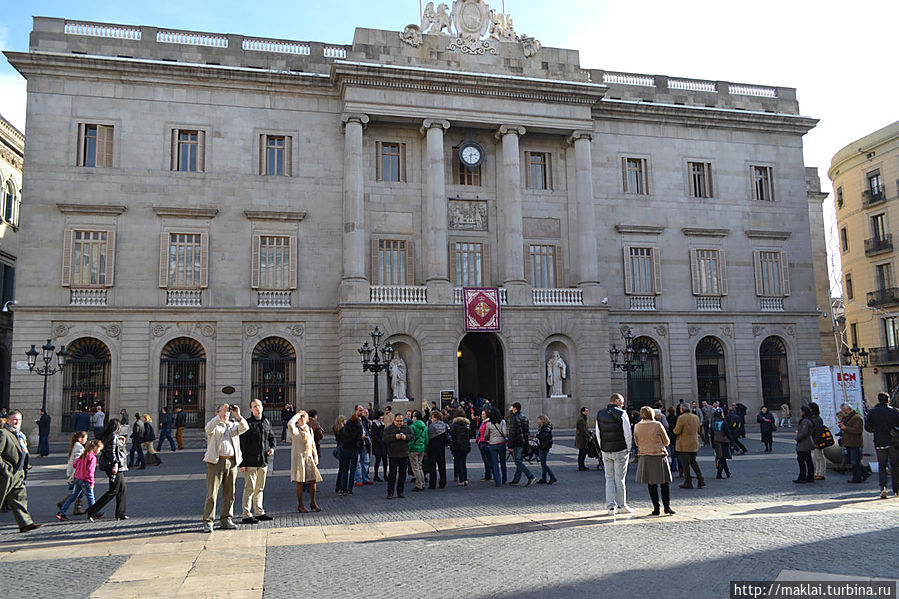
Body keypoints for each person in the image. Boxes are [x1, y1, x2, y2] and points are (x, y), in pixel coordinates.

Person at [202, 403, 249, 533]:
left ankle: (226, 519)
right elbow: (207, 429)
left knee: (229, 493)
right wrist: (219, 416)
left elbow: (245, 427)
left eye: (228, 413)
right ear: (218, 413)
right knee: (212, 494)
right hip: (216, 462)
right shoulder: (214, 426)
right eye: (224, 413)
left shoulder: (233, 426)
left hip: (231, 462)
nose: (226, 415)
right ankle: (208, 521)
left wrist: (238, 415)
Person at [0, 411, 42, 532]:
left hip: (19, 473)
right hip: (7, 474)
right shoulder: (4, 433)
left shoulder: (19, 435)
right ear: (8, 420)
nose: (17, 422)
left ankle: (26, 524)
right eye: (14, 420)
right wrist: (4, 469)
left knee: (19, 498)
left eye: (19, 420)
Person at [595, 393, 634, 515]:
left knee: (609, 479)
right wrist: (629, 448)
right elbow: (627, 434)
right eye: (621, 402)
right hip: (620, 450)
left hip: (606, 450)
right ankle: (622, 505)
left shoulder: (600, 414)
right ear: (617, 401)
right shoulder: (622, 414)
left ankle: (611, 507)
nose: (622, 405)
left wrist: (602, 447)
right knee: (620, 479)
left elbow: (598, 433)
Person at [239, 398, 275, 523]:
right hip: (250, 461)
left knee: (260, 488)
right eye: (254, 406)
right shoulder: (247, 424)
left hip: (263, 461)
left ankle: (259, 512)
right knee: (249, 489)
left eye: (259, 405)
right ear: (251, 409)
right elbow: (242, 444)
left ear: (262, 407)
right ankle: (246, 514)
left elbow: (271, 437)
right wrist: (242, 463)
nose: (257, 408)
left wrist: (272, 448)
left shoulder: (266, 422)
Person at [633, 406, 675, 516]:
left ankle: (656, 508)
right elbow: (666, 441)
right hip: (658, 455)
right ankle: (667, 507)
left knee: (651, 484)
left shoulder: (637, 426)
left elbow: (637, 443)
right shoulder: (657, 425)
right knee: (664, 483)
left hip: (645, 455)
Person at [86, 419, 128, 521]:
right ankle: (92, 511)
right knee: (113, 491)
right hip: (115, 466)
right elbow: (111, 452)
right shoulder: (113, 436)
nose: (121, 427)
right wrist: (115, 464)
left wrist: (121, 441)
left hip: (116, 466)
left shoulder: (112, 436)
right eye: (120, 425)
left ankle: (120, 513)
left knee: (122, 489)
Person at [57, 439, 103, 520]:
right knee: (90, 497)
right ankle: (94, 512)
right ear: (95, 448)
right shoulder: (92, 457)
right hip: (86, 480)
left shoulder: (83, 455)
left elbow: (75, 464)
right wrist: (92, 482)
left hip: (77, 479)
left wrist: (80, 468)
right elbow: (90, 471)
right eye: (99, 449)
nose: (99, 451)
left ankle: (61, 512)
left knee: (73, 496)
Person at [864, 392, 899, 498]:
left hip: (880, 442)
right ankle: (896, 489)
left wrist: (877, 430)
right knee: (895, 466)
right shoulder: (895, 411)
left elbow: (868, 428)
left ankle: (883, 487)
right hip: (893, 442)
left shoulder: (872, 413)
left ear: (878, 400)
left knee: (882, 465)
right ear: (888, 400)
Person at [287, 410, 322, 512]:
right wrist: (297, 414)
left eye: (304, 417)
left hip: (308, 457)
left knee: (313, 480)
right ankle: (300, 505)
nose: (302, 419)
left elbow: (312, 445)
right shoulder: (295, 430)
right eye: (300, 418)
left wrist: (315, 457)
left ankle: (313, 502)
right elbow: (290, 423)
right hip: (299, 459)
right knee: (300, 482)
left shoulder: (309, 429)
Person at [383, 413, 415, 499]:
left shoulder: (407, 428)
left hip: (404, 454)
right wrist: (394, 437)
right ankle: (390, 492)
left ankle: (400, 491)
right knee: (392, 474)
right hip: (393, 454)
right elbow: (385, 438)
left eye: (401, 421)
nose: (400, 423)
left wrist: (406, 437)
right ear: (394, 421)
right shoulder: (389, 428)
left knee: (402, 475)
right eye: (398, 421)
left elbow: (412, 436)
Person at [57, 431, 88, 516]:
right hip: (77, 473)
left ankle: (67, 504)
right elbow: (78, 461)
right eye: (85, 438)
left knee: (77, 491)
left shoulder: (76, 446)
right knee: (77, 491)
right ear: (80, 438)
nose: (86, 440)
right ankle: (73, 506)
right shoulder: (78, 447)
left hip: (75, 473)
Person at [673, 404, 704, 489]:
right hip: (693, 442)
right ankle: (700, 479)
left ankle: (688, 482)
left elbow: (677, 431)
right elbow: (698, 430)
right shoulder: (695, 417)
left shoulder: (681, 418)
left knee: (685, 464)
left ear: (682, 410)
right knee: (693, 462)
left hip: (684, 443)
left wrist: (673, 430)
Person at [508, 402, 535, 486]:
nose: (511, 409)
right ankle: (516, 480)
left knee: (518, 461)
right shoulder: (524, 417)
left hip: (517, 442)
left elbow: (512, 433)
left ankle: (530, 476)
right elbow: (527, 431)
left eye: (512, 408)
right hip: (523, 441)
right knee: (519, 460)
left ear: (515, 408)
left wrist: (510, 445)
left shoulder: (514, 418)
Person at [336, 410, 362, 496]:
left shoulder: (345, 428)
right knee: (353, 470)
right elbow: (360, 440)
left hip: (345, 449)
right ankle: (350, 489)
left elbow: (339, 438)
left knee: (344, 470)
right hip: (354, 449)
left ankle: (343, 489)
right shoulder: (358, 427)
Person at [839, 403, 865, 483]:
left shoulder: (856, 418)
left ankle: (857, 477)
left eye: (844, 410)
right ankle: (864, 473)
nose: (843, 412)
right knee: (853, 460)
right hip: (849, 442)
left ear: (849, 410)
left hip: (854, 442)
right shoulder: (848, 418)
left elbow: (858, 430)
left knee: (855, 461)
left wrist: (845, 428)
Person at [484, 408, 508, 487]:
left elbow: (486, 435)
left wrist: (485, 439)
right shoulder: (502, 422)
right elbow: (504, 433)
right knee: (503, 462)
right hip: (501, 443)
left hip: (492, 444)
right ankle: (504, 478)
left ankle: (498, 481)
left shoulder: (489, 424)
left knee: (495, 463)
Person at [426, 410, 449, 489]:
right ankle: (443, 482)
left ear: (435, 418)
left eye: (432, 417)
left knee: (432, 466)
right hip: (441, 447)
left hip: (432, 447)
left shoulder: (432, 426)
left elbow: (428, 436)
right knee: (442, 465)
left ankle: (433, 483)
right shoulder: (444, 425)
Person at [793, 405, 815, 484]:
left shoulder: (805, 421)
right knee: (808, 460)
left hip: (804, 444)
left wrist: (797, 437)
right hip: (806, 443)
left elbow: (804, 432)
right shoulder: (808, 420)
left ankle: (803, 476)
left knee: (802, 460)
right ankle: (810, 476)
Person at [449, 408, 471, 486]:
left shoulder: (454, 424)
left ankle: (461, 479)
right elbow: (470, 434)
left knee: (458, 462)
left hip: (457, 445)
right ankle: (465, 479)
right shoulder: (467, 425)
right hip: (466, 445)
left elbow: (451, 434)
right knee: (463, 462)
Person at [409, 411, 428, 491]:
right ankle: (422, 483)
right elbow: (426, 438)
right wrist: (425, 447)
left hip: (414, 448)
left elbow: (411, 439)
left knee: (415, 467)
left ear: (415, 417)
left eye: (413, 416)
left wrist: (410, 448)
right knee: (420, 467)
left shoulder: (412, 426)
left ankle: (419, 485)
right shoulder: (424, 426)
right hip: (422, 448)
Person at [353, 405, 373, 487]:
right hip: (357, 444)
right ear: (356, 411)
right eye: (360, 410)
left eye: (362, 410)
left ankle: (365, 478)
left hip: (365, 444)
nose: (362, 412)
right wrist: (360, 436)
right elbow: (351, 433)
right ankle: (357, 479)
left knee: (365, 461)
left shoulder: (364, 419)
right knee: (357, 462)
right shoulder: (352, 420)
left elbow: (366, 429)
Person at [535, 415, 557, 484]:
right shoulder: (545, 427)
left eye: (539, 420)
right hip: (544, 445)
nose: (537, 421)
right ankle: (544, 478)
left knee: (543, 463)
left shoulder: (546, 427)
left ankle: (552, 477)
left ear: (542, 420)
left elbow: (544, 436)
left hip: (544, 446)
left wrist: (537, 435)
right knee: (543, 462)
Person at [711, 408, 733, 479]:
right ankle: (719, 474)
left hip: (715, 441)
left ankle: (727, 472)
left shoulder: (713, 422)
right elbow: (728, 432)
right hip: (723, 441)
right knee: (722, 457)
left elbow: (711, 434)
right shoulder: (723, 422)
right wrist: (732, 441)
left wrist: (712, 443)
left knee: (721, 457)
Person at [808, 402, 826, 480]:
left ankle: (821, 473)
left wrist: (816, 442)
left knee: (819, 457)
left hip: (816, 440)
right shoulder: (814, 418)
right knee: (816, 457)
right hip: (813, 439)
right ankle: (817, 472)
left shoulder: (817, 419)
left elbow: (819, 431)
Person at [370, 410, 387, 482]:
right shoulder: (374, 424)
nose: (382, 417)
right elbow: (373, 435)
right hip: (378, 445)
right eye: (381, 416)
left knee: (385, 460)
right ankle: (376, 475)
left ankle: (385, 475)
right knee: (378, 460)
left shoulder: (381, 423)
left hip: (383, 444)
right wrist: (380, 441)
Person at [476, 409, 493, 481]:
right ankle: (487, 475)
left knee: (488, 460)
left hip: (485, 442)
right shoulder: (483, 422)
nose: (482, 415)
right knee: (486, 460)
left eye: (483, 414)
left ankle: (490, 475)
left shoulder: (488, 423)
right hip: (481, 442)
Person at [575, 407, 590, 471]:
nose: (587, 412)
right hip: (582, 439)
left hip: (583, 438)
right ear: (583, 412)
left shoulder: (583, 418)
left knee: (583, 452)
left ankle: (582, 465)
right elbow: (582, 430)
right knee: (582, 452)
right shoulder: (581, 419)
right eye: (586, 411)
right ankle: (581, 466)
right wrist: (588, 436)